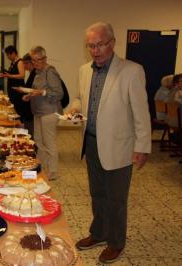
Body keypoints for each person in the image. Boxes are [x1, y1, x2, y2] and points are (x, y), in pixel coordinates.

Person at [69, 22, 151, 263]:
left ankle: (116, 242)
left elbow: (141, 112)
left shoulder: (131, 71)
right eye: (90, 46)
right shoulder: (85, 70)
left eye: (100, 45)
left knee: (116, 199)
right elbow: (78, 97)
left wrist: (142, 147)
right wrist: (74, 107)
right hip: (91, 143)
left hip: (119, 146)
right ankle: (99, 233)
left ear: (112, 43)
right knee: (97, 194)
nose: (95, 50)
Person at [22, 46, 63, 180]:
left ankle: (53, 171)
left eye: (36, 60)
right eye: (32, 60)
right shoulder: (38, 72)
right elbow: (37, 90)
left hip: (49, 112)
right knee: (39, 142)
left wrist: (42, 92)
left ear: (44, 58)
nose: (34, 63)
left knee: (49, 142)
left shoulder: (50, 71)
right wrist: (30, 95)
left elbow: (59, 94)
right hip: (39, 112)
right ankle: (40, 167)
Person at [1, 46, 34, 136]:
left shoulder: (19, 62)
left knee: (19, 110)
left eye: (8, 55)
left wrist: (10, 76)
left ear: (13, 53)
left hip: (18, 91)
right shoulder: (13, 62)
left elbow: (22, 75)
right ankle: (18, 130)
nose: (8, 57)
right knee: (15, 108)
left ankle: (21, 130)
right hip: (14, 90)